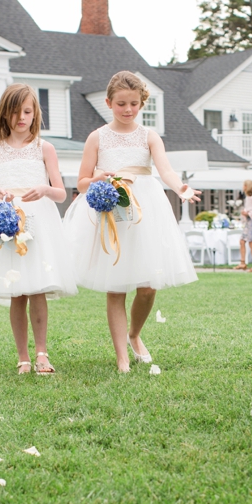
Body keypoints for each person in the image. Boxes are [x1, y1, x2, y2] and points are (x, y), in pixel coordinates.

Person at [67, 71, 199, 372]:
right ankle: (122, 357)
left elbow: (165, 170)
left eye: (134, 104)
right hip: (111, 210)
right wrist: (101, 178)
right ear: (109, 103)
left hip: (145, 209)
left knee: (148, 286)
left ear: (142, 104)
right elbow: (83, 181)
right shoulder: (96, 137)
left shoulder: (149, 136)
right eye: (121, 104)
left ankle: (135, 335)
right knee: (116, 287)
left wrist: (181, 187)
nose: (127, 110)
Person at [0, 83, 76, 374]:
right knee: (17, 291)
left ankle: (42, 353)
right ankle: (23, 356)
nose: (21, 117)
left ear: (35, 114)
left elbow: (60, 192)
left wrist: (45, 189)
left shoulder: (44, 148)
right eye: (15, 112)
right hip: (8, 222)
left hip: (39, 222)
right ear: (4, 114)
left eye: (27, 111)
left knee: (38, 289)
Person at [234, 180, 252, 272]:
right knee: (242, 241)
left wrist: (248, 213)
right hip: (248, 222)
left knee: (251, 243)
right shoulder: (247, 198)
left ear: (247, 186)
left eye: (244, 185)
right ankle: (242, 263)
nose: (243, 187)